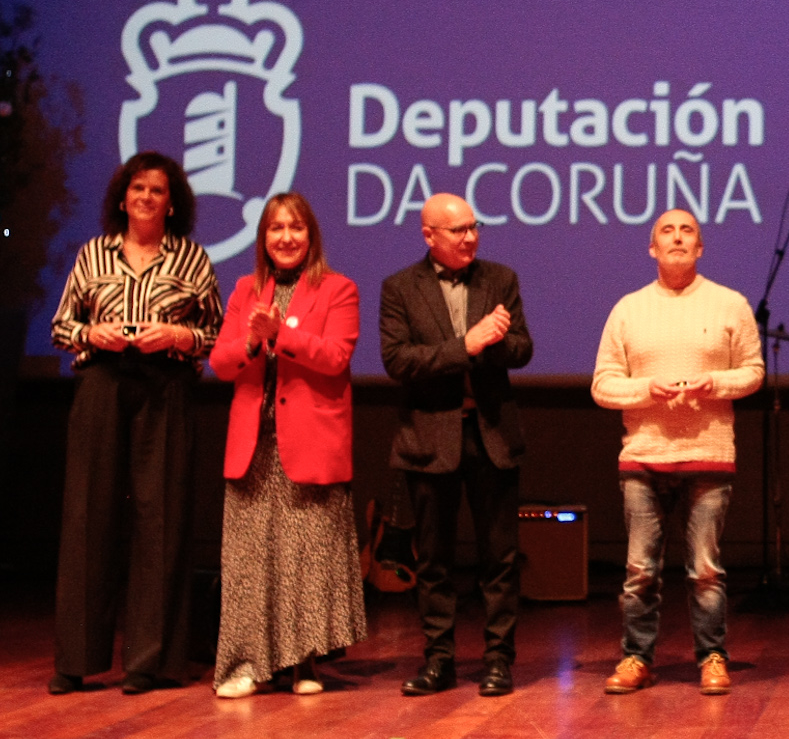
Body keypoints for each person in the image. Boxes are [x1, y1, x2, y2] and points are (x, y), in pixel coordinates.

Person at [47, 152, 223, 695]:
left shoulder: (191, 259)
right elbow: (61, 325)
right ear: (122, 199)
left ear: (172, 204)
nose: (146, 197)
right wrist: (90, 334)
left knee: (161, 517)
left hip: (166, 386)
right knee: (88, 513)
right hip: (102, 382)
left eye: (157, 190)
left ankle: (151, 661)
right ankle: (76, 659)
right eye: (138, 188)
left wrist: (177, 336)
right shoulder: (94, 253)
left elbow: (217, 334)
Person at [591, 210, 763, 696]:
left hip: (708, 454)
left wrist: (715, 383)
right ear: (652, 249)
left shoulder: (730, 304)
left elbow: (753, 372)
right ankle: (635, 658)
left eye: (688, 231)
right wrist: (647, 389)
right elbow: (602, 385)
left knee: (706, 570)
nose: (678, 237)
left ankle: (712, 657)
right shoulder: (628, 309)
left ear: (700, 248)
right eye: (667, 231)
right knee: (639, 571)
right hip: (644, 457)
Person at [206, 193, 366, 699]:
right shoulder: (245, 289)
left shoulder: (338, 289)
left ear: (310, 235)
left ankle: (304, 663)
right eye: (276, 228)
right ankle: (246, 665)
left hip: (310, 442)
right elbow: (221, 362)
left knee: (305, 560)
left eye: (295, 227)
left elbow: (336, 357)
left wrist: (283, 335)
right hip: (254, 445)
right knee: (251, 563)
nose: (286, 237)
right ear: (263, 238)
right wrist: (253, 341)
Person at [379, 193, 534, 698]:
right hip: (430, 437)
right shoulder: (400, 287)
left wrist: (495, 342)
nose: (470, 237)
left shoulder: (500, 279)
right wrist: (466, 345)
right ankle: (438, 661)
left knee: (500, 559)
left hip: (491, 435)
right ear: (429, 235)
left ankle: (498, 661)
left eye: (474, 226)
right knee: (433, 561)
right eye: (458, 230)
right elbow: (398, 361)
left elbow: (523, 349)